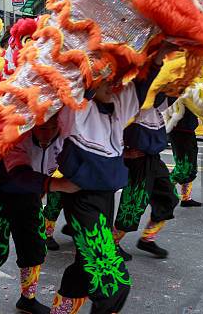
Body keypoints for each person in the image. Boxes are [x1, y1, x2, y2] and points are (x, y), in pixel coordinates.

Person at [49, 46, 172, 313]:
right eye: (107, 78)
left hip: (105, 199)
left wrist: (160, 54)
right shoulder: (75, 110)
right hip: (81, 202)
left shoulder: (118, 106)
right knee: (113, 283)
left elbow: (144, 85)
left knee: (83, 268)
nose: (115, 84)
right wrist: (53, 184)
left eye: (117, 78)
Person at [0, 119, 79, 314]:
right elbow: (19, 174)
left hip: (30, 194)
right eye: (41, 128)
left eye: (52, 128)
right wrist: (56, 185)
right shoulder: (15, 133)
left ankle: (27, 299)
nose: (47, 134)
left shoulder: (66, 137)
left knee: (35, 246)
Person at [113, 100, 179, 261]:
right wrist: (123, 154)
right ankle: (111, 245)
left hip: (153, 159)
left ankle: (147, 239)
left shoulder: (159, 100)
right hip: (136, 161)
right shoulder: (133, 99)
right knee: (132, 207)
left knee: (168, 198)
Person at [168, 103, 202, 207]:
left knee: (190, 167)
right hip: (180, 131)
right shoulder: (178, 91)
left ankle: (185, 198)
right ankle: (162, 190)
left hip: (187, 130)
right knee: (184, 168)